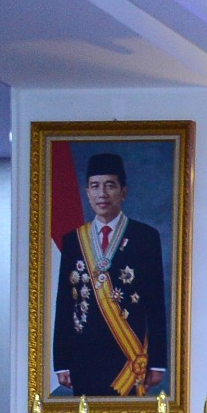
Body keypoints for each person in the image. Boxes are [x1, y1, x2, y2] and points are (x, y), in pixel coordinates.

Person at [52, 152, 169, 398]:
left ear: (123, 192)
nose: (102, 194)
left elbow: (156, 303)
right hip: (84, 356)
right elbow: (65, 303)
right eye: (95, 186)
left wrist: (158, 362)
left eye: (110, 185)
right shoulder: (74, 240)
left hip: (129, 357)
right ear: (87, 192)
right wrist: (61, 362)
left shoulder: (145, 237)